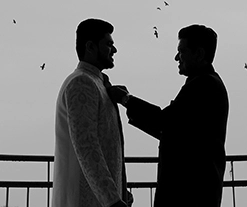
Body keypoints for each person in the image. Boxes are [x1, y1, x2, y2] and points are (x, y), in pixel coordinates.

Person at [110, 24, 229, 207]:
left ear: (199, 53)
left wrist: (126, 100)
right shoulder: (208, 83)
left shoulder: (202, 85)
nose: (176, 57)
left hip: (189, 192)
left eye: (181, 51)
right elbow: (173, 128)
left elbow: (165, 123)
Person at [53, 18, 132, 207]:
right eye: (108, 44)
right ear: (90, 46)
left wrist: (120, 191)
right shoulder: (82, 83)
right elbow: (87, 147)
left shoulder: (95, 83)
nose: (114, 50)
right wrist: (113, 200)